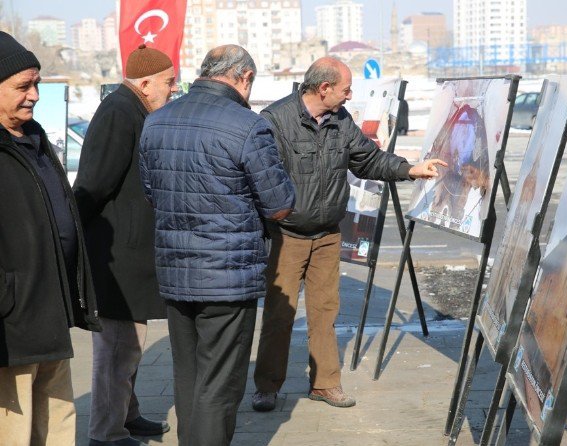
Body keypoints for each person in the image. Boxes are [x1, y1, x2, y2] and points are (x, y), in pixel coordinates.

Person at [252, 56, 446, 411]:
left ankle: (325, 384)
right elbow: (262, 180)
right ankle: (267, 386)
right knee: (279, 315)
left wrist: (410, 169)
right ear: (324, 88)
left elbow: (369, 160)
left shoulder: (342, 120)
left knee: (325, 312)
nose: (349, 95)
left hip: (327, 235)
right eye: (345, 89)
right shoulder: (275, 120)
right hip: (287, 237)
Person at [139, 45, 295, 446]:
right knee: (219, 385)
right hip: (227, 274)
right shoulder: (247, 125)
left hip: (176, 270)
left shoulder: (156, 121)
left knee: (188, 375)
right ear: (243, 77)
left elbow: (151, 192)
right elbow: (279, 206)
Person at [73, 44, 177, 446]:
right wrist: (74, 237)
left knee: (130, 346)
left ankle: (127, 417)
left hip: (128, 250)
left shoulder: (133, 108)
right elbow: (94, 184)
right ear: (146, 83)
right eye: (168, 83)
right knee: (117, 350)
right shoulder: (119, 111)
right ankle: (106, 433)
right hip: (116, 255)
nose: (172, 90)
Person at [0, 31, 101, 445]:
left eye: (36, 83)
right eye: (22, 86)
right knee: (14, 427)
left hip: (52, 308)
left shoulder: (35, 139)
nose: (34, 95)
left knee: (58, 417)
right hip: (12, 320)